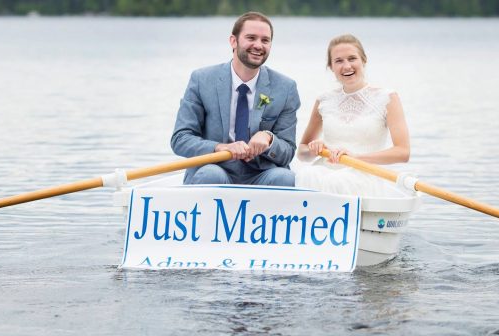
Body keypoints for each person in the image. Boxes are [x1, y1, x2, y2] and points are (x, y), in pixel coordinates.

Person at [171, 12, 300, 186]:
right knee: (211, 174)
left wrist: (269, 139)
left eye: (265, 40)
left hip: (261, 173)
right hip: (215, 168)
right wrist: (220, 147)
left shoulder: (286, 87)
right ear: (233, 41)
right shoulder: (202, 80)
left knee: (286, 178)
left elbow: (288, 151)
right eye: (251, 38)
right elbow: (181, 138)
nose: (258, 45)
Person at [296, 34, 410, 197]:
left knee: (339, 181)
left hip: (363, 174)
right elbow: (302, 153)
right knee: (307, 174)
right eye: (339, 61)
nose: (347, 66)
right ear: (331, 67)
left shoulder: (387, 98)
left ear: (363, 60)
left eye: (352, 58)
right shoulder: (324, 100)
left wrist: (357, 158)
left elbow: (403, 153)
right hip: (324, 170)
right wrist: (314, 149)